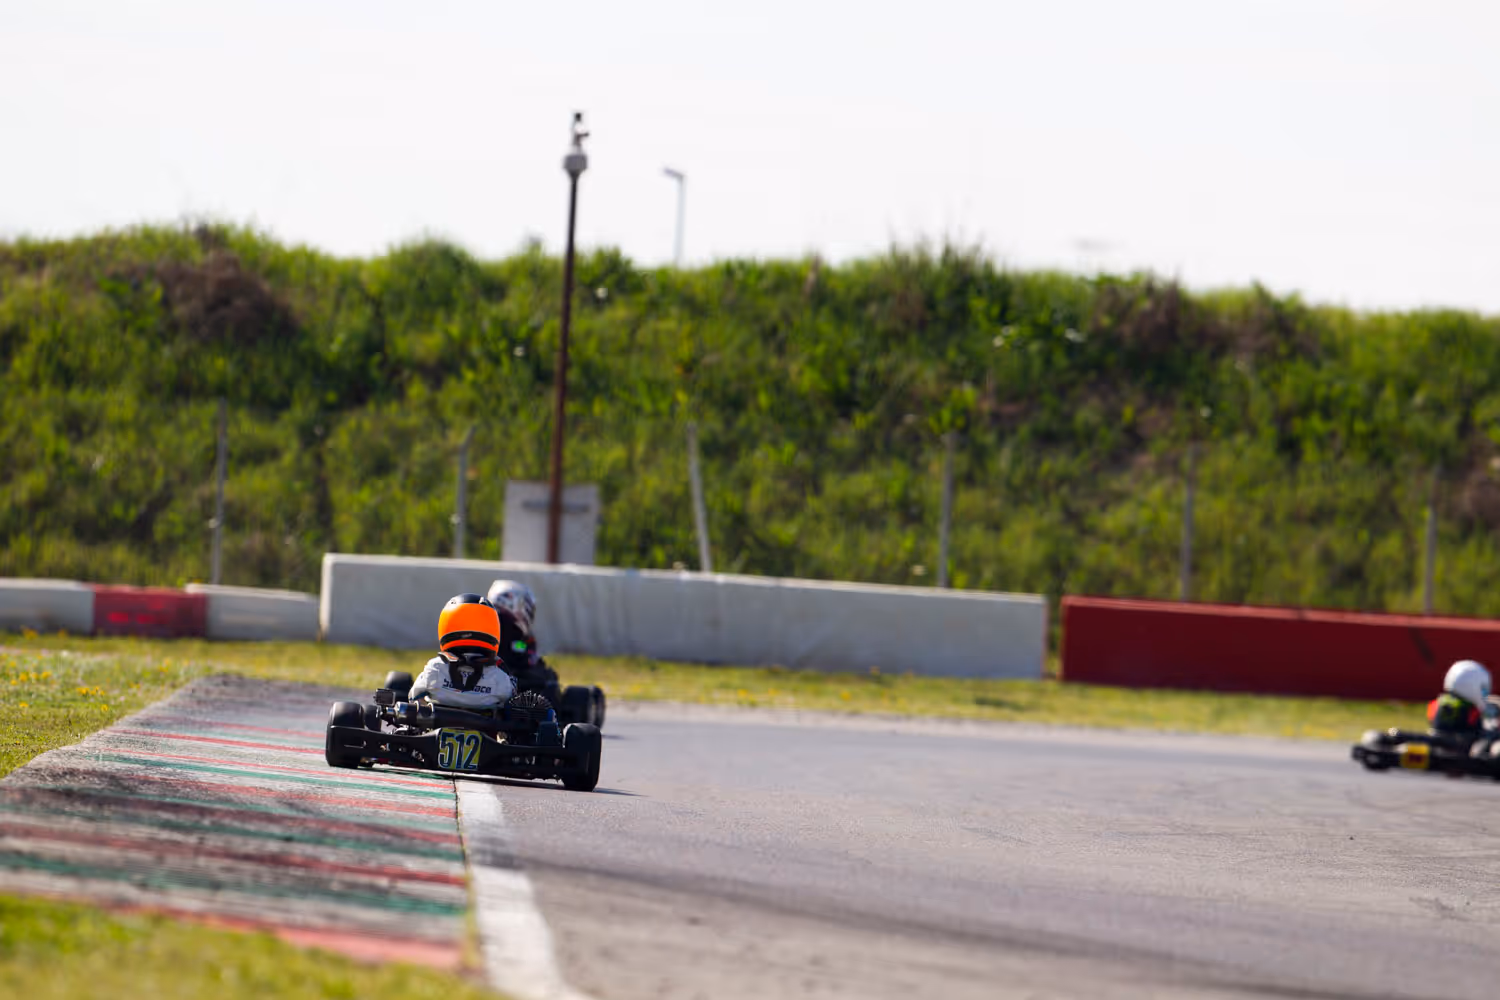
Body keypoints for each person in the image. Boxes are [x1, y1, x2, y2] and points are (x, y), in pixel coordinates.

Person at [408, 593, 516, 713]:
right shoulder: (499, 676)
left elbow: (413, 697)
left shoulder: (435, 667)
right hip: (484, 729)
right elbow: (512, 709)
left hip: (436, 728)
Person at [1427, 659, 1497, 739]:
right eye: (1484, 689)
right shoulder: (1472, 711)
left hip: (1437, 745)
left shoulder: (1437, 703)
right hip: (1463, 747)